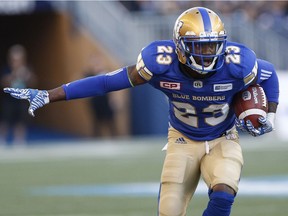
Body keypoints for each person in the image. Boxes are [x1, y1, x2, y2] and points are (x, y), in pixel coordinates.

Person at [3, 7, 279, 216]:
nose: (208, 53)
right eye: (200, 46)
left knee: (223, 191)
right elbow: (106, 82)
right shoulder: (159, 63)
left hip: (223, 137)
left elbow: (269, 77)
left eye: (213, 45)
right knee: (169, 211)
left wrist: (270, 114)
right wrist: (49, 95)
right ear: (180, 46)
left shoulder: (237, 63)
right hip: (182, 140)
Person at [0, 44, 37, 145]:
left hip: (22, 99)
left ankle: (19, 141)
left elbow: (33, 82)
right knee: (5, 120)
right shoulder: (7, 69)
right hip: (9, 99)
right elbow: (3, 83)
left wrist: (27, 76)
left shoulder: (26, 69)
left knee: (21, 121)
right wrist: (14, 75)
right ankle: (2, 140)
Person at [83, 54, 116, 137]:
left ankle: (115, 140)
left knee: (110, 122)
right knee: (96, 123)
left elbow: (111, 87)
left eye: (98, 61)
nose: (96, 63)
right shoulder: (89, 75)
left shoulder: (105, 73)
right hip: (95, 101)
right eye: (94, 62)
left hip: (105, 100)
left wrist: (112, 99)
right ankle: (95, 141)